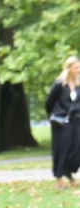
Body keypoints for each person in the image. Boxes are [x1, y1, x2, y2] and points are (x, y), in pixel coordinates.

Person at [44, 56, 80, 189]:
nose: (79, 70)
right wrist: (54, 115)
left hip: (76, 121)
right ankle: (59, 178)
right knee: (61, 150)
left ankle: (68, 171)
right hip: (61, 122)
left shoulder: (78, 85)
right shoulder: (60, 84)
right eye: (76, 67)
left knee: (76, 149)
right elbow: (49, 102)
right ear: (69, 68)